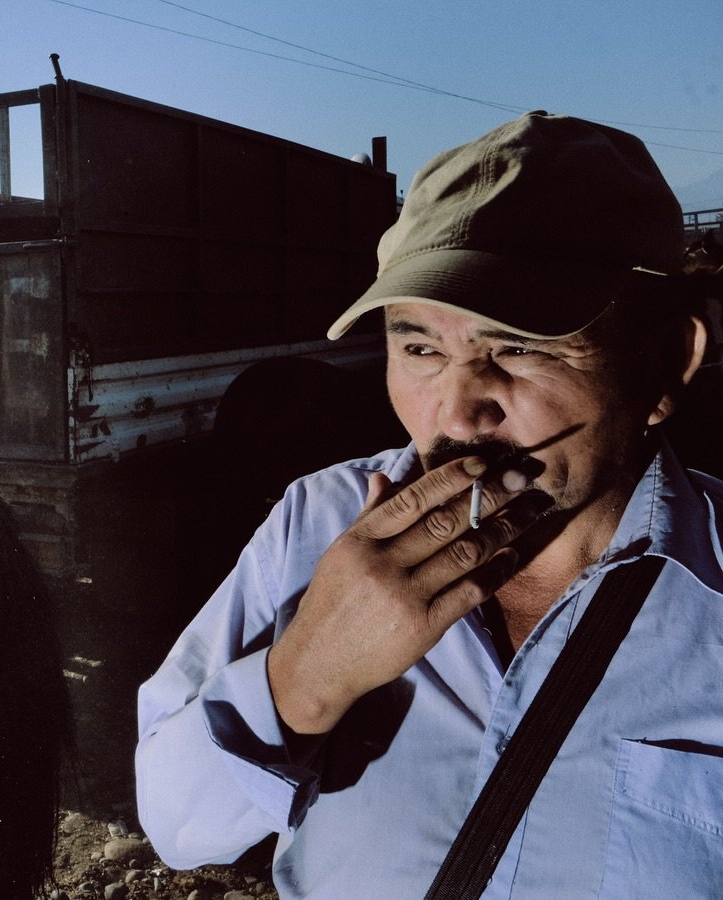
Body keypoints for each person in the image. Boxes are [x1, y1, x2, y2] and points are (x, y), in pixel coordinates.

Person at [135, 112, 723, 897]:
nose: (453, 416)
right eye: (419, 348)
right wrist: (303, 677)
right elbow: (177, 830)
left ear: (666, 362)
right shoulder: (316, 522)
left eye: (517, 347)